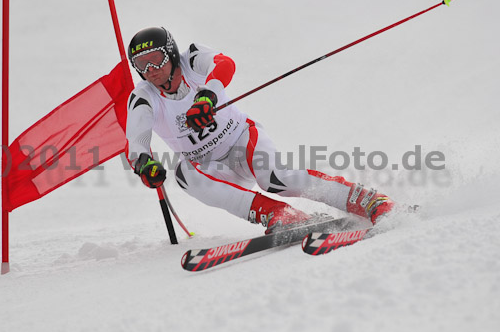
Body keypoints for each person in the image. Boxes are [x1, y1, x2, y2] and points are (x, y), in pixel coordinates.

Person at [125, 26, 395, 234]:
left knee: (277, 179)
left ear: (171, 53)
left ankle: (370, 200)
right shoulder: (144, 97)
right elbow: (135, 141)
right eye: (141, 64)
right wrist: (144, 165)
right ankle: (281, 215)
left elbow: (224, 64)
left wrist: (207, 97)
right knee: (183, 174)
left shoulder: (192, 58)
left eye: (157, 60)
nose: (151, 70)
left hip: (242, 140)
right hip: (212, 168)